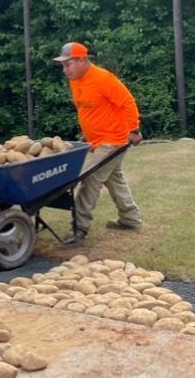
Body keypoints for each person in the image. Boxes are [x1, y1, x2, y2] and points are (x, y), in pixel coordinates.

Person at [52, 41, 143, 241]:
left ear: (82, 60)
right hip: (97, 140)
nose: (64, 69)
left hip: (113, 140)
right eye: (63, 65)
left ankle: (79, 229)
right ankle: (131, 219)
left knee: (90, 179)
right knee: (114, 180)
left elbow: (126, 102)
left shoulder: (103, 78)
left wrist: (134, 129)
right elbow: (88, 109)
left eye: (68, 64)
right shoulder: (75, 81)